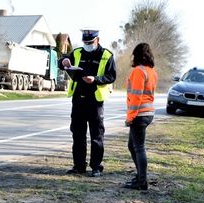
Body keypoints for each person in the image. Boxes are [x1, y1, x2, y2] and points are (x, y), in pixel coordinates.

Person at [59, 29, 117, 177]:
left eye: (90, 43)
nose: (87, 45)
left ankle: (96, 167)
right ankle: (79, 166)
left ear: (97, 39)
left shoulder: (106, 55)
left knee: (96, 135)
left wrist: (96, 79)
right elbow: (63, 63)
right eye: (85, 42)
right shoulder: (78, 52)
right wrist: (63, 61)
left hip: (95, 101)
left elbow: (111, 76)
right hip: (78, 99)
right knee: (78, 134)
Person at [124, 43, 158, 190]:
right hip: (148, 112)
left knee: (138, 148)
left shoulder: (139, 71)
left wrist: (130, 117)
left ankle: (142, 181)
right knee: (132, 146)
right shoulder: (152, 71)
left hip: (139, 114)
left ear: (136, 55)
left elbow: (136, 96)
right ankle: (140, 176)